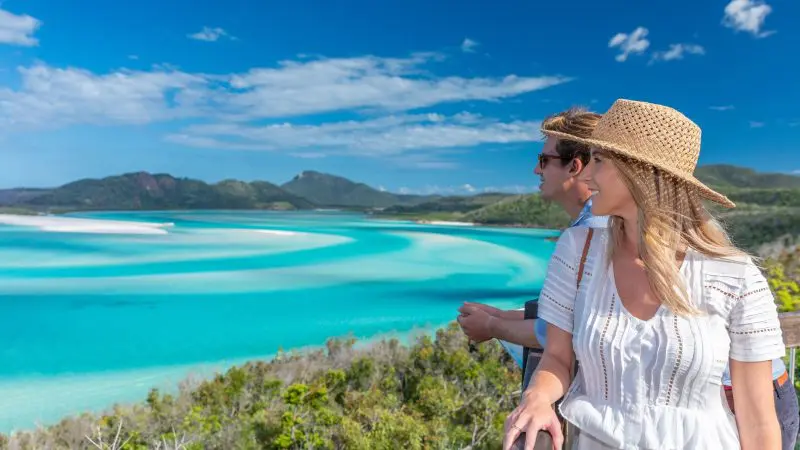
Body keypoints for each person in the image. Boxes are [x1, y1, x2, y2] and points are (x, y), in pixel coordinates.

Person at [502, 99, 787, 450]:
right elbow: (557, 358)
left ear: (641, 174)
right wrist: (537, 397)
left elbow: (758, 422)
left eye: (600, 161)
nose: (587, 175)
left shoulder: (736, 277)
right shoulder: (577, 249)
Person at [457, 107, 608, 363]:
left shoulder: (592, 232)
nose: (536, 171)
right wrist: (500, 315)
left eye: (543, 160)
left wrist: (492, 326)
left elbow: (560, 333)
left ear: (574, 166)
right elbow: (566, 314)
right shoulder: (597, 224)